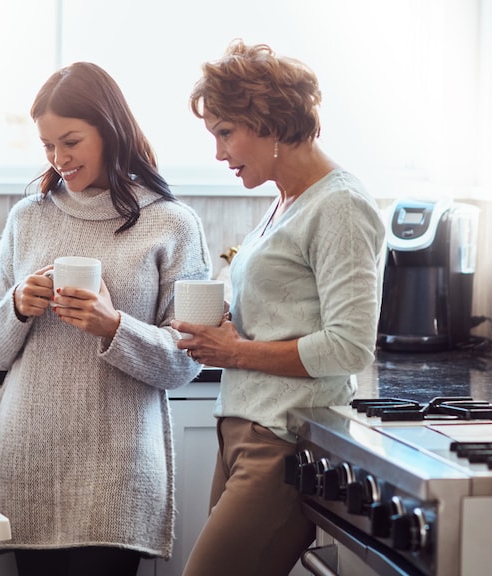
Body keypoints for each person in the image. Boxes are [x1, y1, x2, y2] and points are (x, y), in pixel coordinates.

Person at [0, 61, 212, 576]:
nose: (59, 159)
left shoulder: (172, 224)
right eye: (47, 146)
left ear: (109, 129)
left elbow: (189, 357)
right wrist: (18, 304)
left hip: (117, 469)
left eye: (71, 141)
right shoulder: (29, 217)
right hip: (29, 460)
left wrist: (113, 325)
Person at [173, 40, 386, 576]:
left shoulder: (340, 206)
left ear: (267, 122)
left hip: (283, 441)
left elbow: (349, 346)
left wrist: (237, 351)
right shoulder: (286, 199)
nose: (220, 154)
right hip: (244, 428)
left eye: (225, 132)